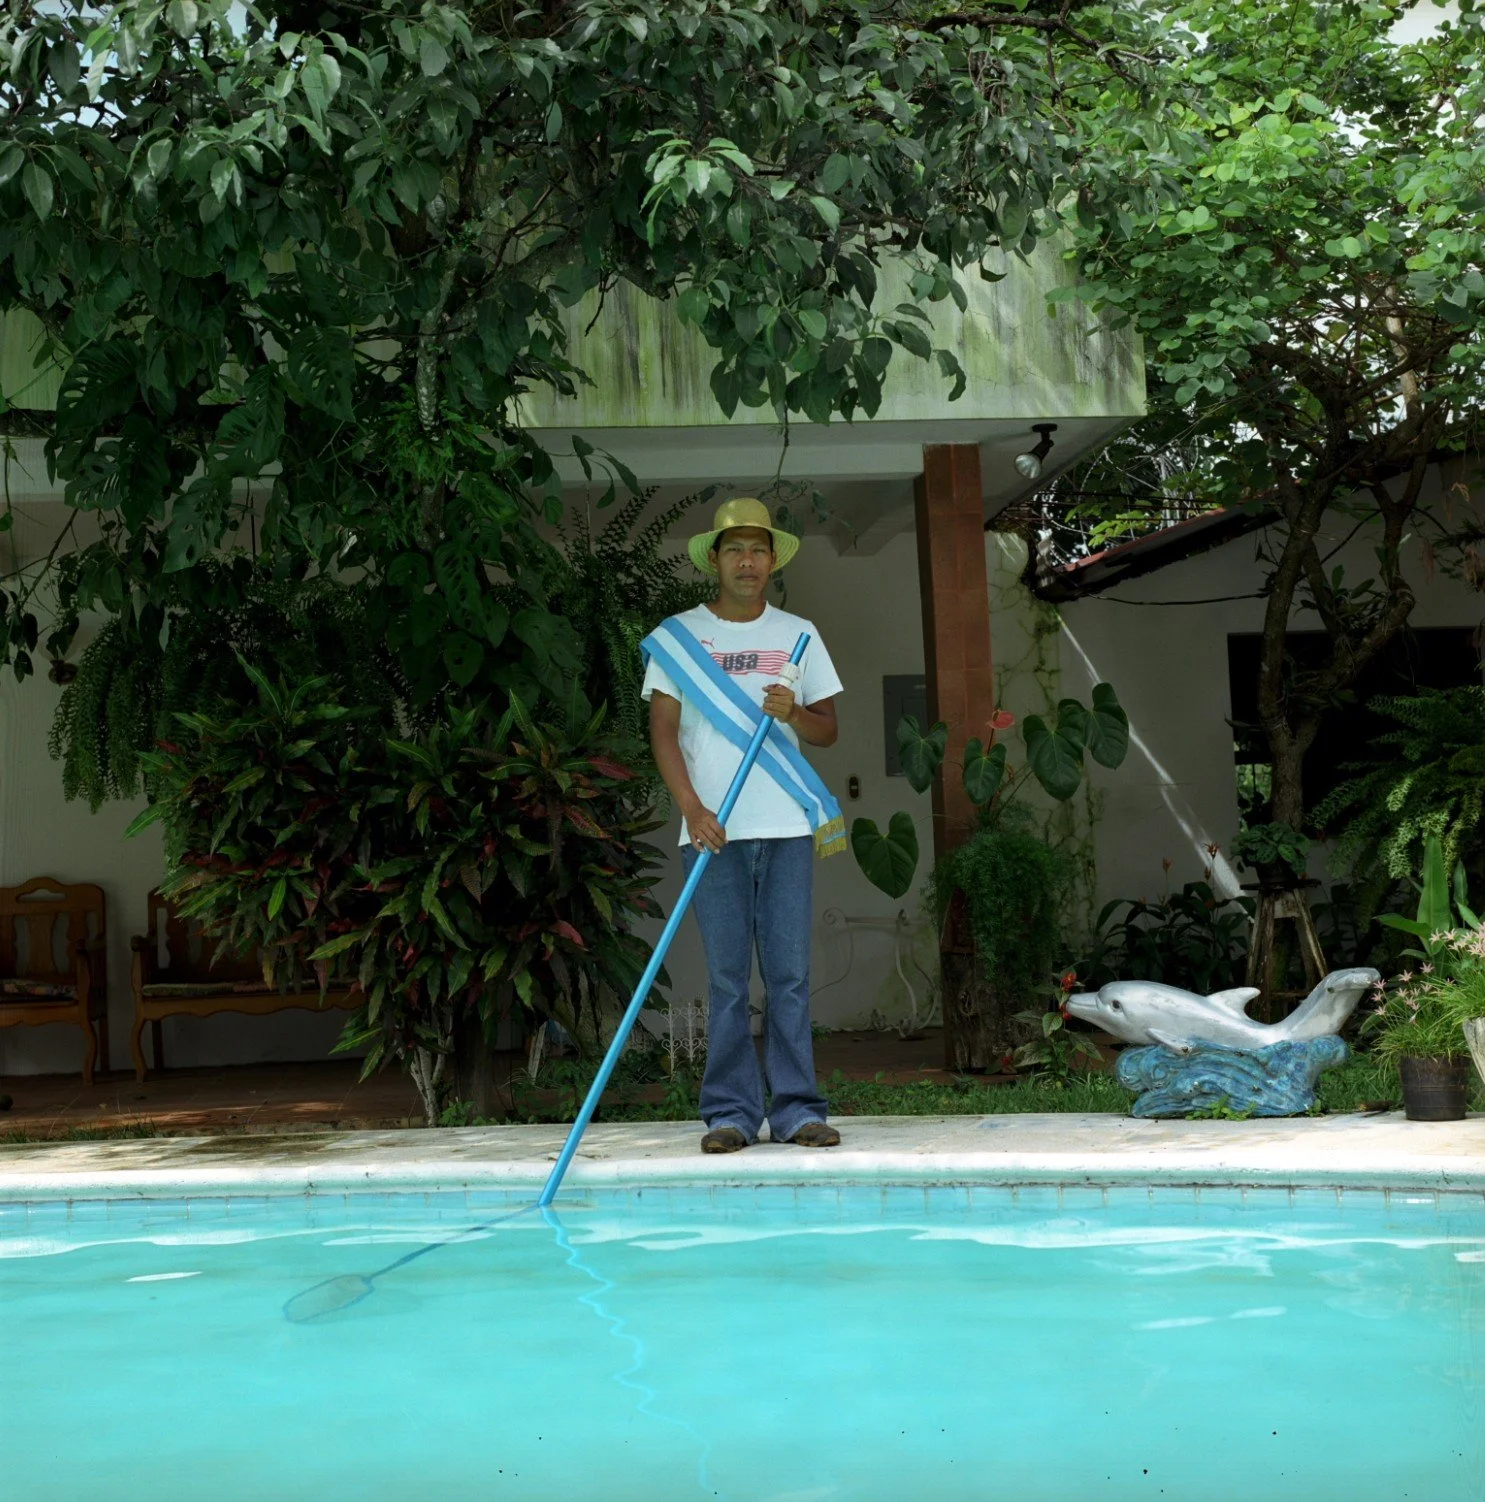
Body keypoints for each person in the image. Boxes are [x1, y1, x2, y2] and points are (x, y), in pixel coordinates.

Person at [641, 496, 846, 1153]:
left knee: (787, 975)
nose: (747, 561)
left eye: (758, 550)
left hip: (785, 827)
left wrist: (792, 713)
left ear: (771, 560)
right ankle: (729, 1113)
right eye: (735, 550)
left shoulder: (800, 635)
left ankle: (796, 1111)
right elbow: (663, 733)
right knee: (727, 979)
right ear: (715, 561)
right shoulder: (679, 638)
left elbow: (827, 731)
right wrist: (691, 809)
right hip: (712, 833)